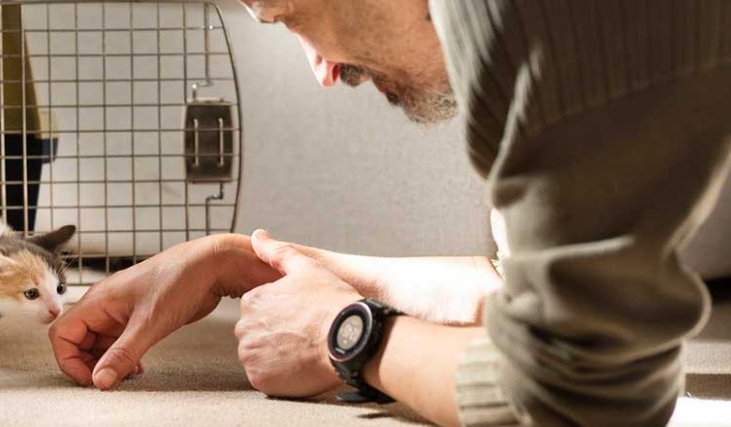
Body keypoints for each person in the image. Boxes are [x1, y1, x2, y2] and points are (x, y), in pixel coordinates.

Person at [48, 0, 731, 425]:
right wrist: (244, 262)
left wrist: (346, 334)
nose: (320, 69)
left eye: (288, 17)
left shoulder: (532, 17)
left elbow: (584, 393)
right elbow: (525, 288)